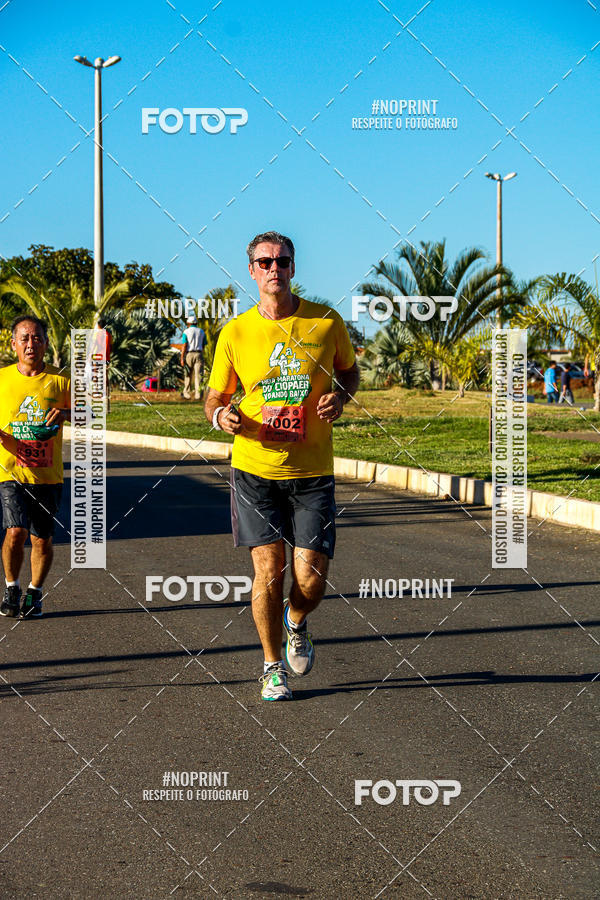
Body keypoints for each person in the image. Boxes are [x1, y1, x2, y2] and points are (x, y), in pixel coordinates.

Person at [204, 231, 359, 701]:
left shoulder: (326, 322)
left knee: (310, 578)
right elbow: (214, 394)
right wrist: (220, 415)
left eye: (283, 261)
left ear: (293, 268)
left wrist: (342, 396)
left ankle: (297, 621)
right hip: (254, 469)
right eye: (265, 262)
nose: (275, 269)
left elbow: (349, 371)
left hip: (312, 471)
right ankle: (272, 667)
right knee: (269, 572)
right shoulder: (235, 332)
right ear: (251, 271)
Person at [0, 315, 71, 619]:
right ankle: (12, 586)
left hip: (47, 474)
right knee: (15, 531)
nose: (31, 344)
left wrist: (66, 413)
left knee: (41, 538)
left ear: (45, 342)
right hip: (10, 471)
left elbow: (93, 415)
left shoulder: (62, 380)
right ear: (13, 343)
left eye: (37, 338)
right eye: (25, 338)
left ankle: (34, 592)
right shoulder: (2, 379)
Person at [180, 315, 207, 400]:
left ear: (188, 323)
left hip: (189, 354)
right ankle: (198, 395)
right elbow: (203, 345)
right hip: (199, 354)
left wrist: (182, 357)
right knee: (198, 375)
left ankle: (186, 394)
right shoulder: (202, 332)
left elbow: (184, 345)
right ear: (196, 323)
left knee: (188, 374)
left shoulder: (186, 332)